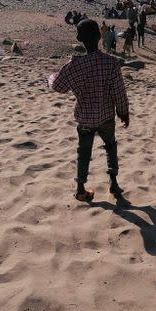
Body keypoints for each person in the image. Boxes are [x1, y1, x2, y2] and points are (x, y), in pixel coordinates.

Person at [48, 19, 129, 201]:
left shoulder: (74, 66)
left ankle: (80, 189)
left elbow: (58, 87)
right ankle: (114, 184)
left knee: (83, 152)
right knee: (110, 147)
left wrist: (51, 77)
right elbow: (119, 93)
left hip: (85, 118)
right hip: (106, 116)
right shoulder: (111, 63)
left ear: (79, 39)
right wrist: (123, 113)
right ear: (100, 36)